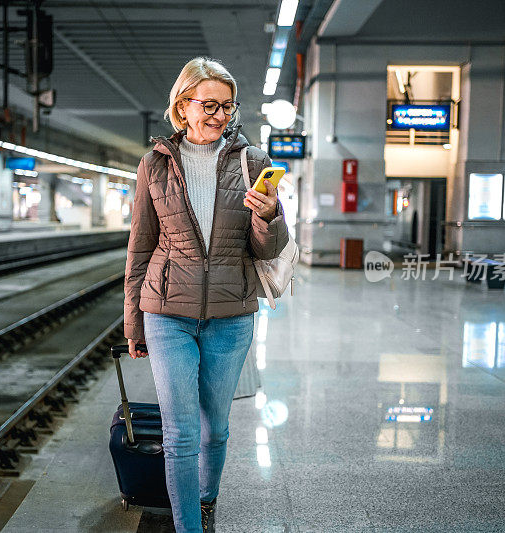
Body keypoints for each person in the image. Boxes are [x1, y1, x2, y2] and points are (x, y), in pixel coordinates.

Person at [123, 57, 288, 532]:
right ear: (184, 104)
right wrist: (134, 323)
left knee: (215, 428)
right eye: (209, 104)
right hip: (167, 311)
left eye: (227, 107)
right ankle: (189, 526)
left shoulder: (252, 160)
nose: (219, 115)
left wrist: (268, 216)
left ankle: (207, 500)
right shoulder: (154, 164)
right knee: (180, 434)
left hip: (231, 313)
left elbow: (270, 248)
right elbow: (140, 246)